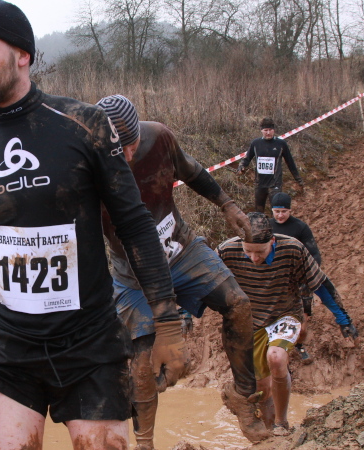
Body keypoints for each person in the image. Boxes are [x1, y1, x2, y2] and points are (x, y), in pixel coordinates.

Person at [0, 2, 182, 449]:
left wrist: (168, 323)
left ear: (22, 54)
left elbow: (134, 223)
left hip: (89, 341)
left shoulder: (86, 126)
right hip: (6, 344)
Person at [96, 95, 270, 448]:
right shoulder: (86, 169)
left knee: (238, 304)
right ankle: (145, 442)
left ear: (139, 134)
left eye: (132, 146)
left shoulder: (159, 137)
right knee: (143, 364)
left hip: (180, 248)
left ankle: (242, 396)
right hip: (133, 275)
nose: (127, 156)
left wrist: (227, 204)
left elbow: (191, 171)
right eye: (117, 151)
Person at [216, 213, 346, 436]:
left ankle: (282, 423)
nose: (254, 258)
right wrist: (187, 313)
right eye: (248, 252)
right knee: (261, 387)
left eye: (260, 252)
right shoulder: (226, 250)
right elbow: (202, 279)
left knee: (276, 358)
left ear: (272, 241)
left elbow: (320, 285)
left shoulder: (293, 248)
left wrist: (343, 318)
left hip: (285, 314)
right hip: (251, 320)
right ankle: (270, 435)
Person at [270, 192, 358, 363]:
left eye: (284, 211)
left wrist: (306, 274)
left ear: (290, 210)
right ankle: (281, 351)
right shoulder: (266, 227)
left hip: (301, 278)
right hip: (276, 281)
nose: (280, 215)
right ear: (272, 211)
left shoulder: (300, 227)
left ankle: (300, 345)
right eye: (277, 211)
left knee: (303, 324)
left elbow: (315, 255)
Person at [237, 118, 304, 213]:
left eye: (270, 130)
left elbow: (290, 162)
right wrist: (241, 166)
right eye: (265, 130)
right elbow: (247, 158)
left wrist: (298, 179)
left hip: (275, 184)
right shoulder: (255, 143)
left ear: (274, 130)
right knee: (258, 212)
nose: (268, 133)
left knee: (276, 210)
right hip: (260, 184)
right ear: (261, 130)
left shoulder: (281, 144)